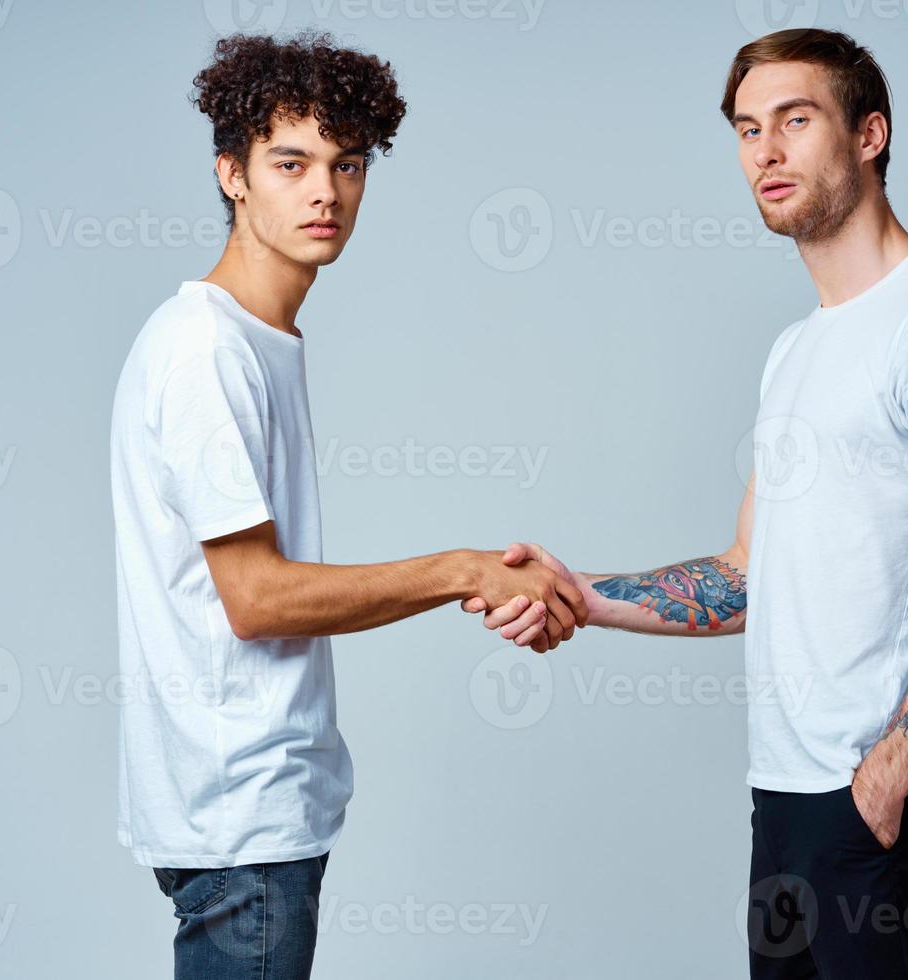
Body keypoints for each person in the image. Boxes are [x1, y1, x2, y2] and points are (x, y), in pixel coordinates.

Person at [465, 28, 908, 979]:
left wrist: (889, 774)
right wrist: (580, 593)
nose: (766, 152)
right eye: (746, 130)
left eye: (796, 120)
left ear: (868, 134)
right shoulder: (800, 351)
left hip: (877, 796)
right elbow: (745, 576)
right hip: (786, 796)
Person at [108, 32, 586, 979]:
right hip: (242, 821)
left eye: (348, 164)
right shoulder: (207, 350)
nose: (325, 191)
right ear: (232, 174)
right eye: (291, 163)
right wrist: (462, 570)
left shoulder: (256, 341)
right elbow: (258, 598)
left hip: (254, 815)